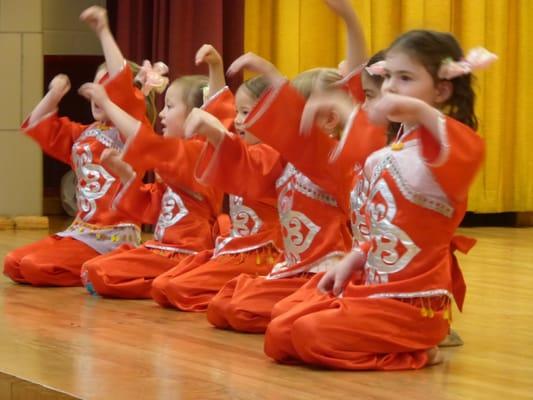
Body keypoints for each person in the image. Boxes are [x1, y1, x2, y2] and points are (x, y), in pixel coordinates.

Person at [264, 30, 494, 370]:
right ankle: (383, 340)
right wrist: (353, 259)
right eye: (388, 78)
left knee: (307, 333)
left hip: (412, 305)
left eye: (405, 78)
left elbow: (467, 148)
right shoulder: (384, 155)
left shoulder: (448, 151)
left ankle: (417, 350)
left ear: (442, 89)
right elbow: (381, 227)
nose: (391, 89)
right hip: (372, 287)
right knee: (281, 329)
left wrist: (418, 108)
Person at [3, 6, 153, 286]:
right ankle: (94, 266)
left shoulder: (132, 132)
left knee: (36, 268)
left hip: (111, 235)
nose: (98, 96)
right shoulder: (84, 134)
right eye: (96, 88)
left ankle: (109, 263)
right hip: (81, 231)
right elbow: (39, 126)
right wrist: (53, 95)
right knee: (14, 263)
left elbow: (120, 80)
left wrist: (103, 30)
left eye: (107, 90)